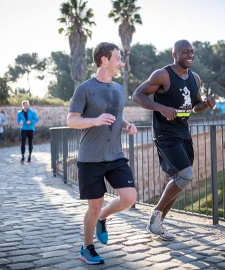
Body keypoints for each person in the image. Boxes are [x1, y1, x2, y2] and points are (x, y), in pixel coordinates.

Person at [132, 39, 216, 241]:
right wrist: (160, 107)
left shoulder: (195, 79)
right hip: (164, 133)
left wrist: (205, 104)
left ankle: (157, 223)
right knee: (186, 175)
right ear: (174, 54)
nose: (190, 55)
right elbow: (137, 95)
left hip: (183, 132)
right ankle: (155, 214)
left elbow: (195, 107)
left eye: (192, 52)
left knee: (180, 179)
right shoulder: (162, 75)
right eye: (185, 52)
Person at [67, 42, 138, 265]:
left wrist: (127, 125)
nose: (121, 63)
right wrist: (95, 121)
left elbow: (117, 116)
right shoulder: (84, 89)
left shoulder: (118, 89)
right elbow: (71, 120)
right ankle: (87, 247)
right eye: (117, 58)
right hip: (90, 158)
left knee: (129, 197)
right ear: (104, 60)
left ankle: (103, 217)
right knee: (94, 204)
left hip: (115, 154)